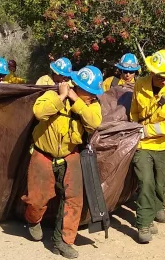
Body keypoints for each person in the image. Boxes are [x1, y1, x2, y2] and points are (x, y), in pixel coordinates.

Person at [22, 66, 104, 259]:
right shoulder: (52, 94)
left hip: (70, 154)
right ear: (78, 86)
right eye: (90, 92)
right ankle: (33, 221)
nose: (93, 96)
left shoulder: (91, 104)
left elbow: (93, 123)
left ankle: (64, 241)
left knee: (74, 200)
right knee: (36, 199)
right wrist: (62, 97)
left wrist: (76, 101)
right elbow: (39, 113)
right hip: (43, 154)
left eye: (94, 93)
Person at [129, 50, 165, 243]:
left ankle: (158, 207)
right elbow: (135, 112)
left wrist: (147, 130)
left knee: (161, 182)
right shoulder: (140, 84)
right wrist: (137, 128)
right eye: (162, 77)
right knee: (145, 181)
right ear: (152, 72)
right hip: (143, 144)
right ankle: (144, 223)